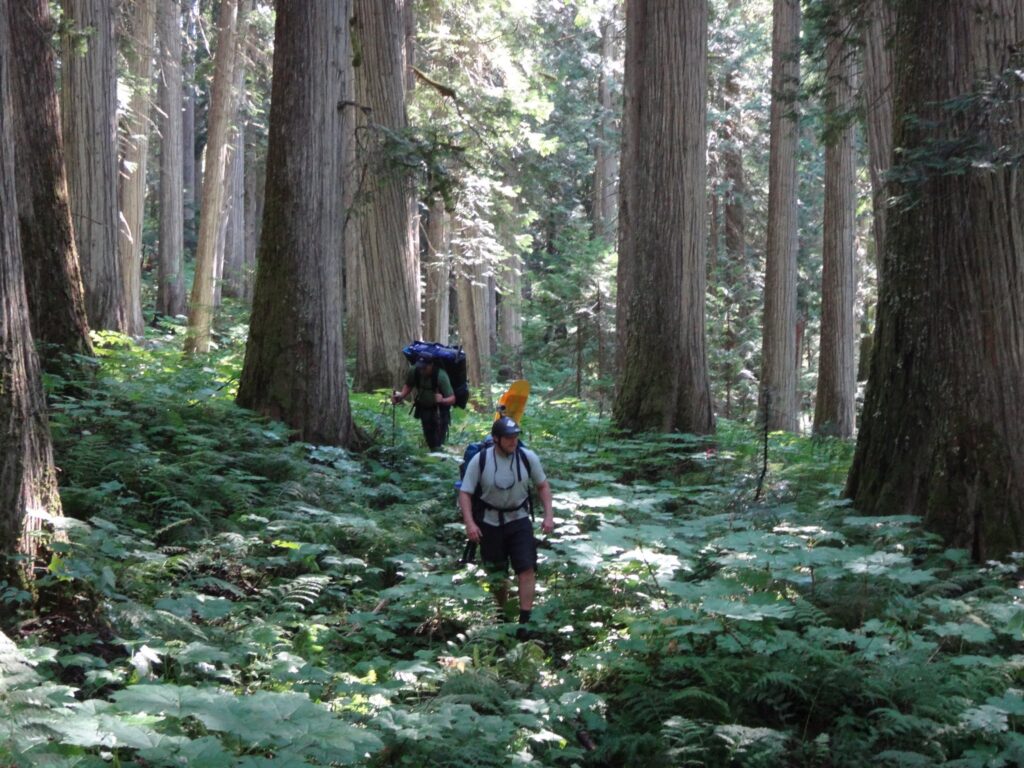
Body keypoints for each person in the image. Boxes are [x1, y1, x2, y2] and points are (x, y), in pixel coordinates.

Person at [458, 417, 554, 637]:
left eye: (515, 436)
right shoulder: (480, 460)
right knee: (497, 573)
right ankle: (501, 616)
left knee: (526, 568)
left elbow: (543, 486)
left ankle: (524, 622)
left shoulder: (527, 457)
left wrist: (549, 515)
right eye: (508, 437)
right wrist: (470, 523)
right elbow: (465, 492)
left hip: (519, 520)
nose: (513, 441)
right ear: (496, 439)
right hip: (489, 523)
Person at [392, 353, 456, 450]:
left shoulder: (441, 376)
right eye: (420, 367)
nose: (422, 370)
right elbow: (409, 385)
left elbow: (452, 398)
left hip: (440, 411)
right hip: (424, 408)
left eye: (424, 368)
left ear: (431, 365)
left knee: (439, 441)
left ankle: (439, 460)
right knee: (429, 437)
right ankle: (433, 456)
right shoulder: (414, 370)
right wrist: (401, 395)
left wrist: (442, 400)